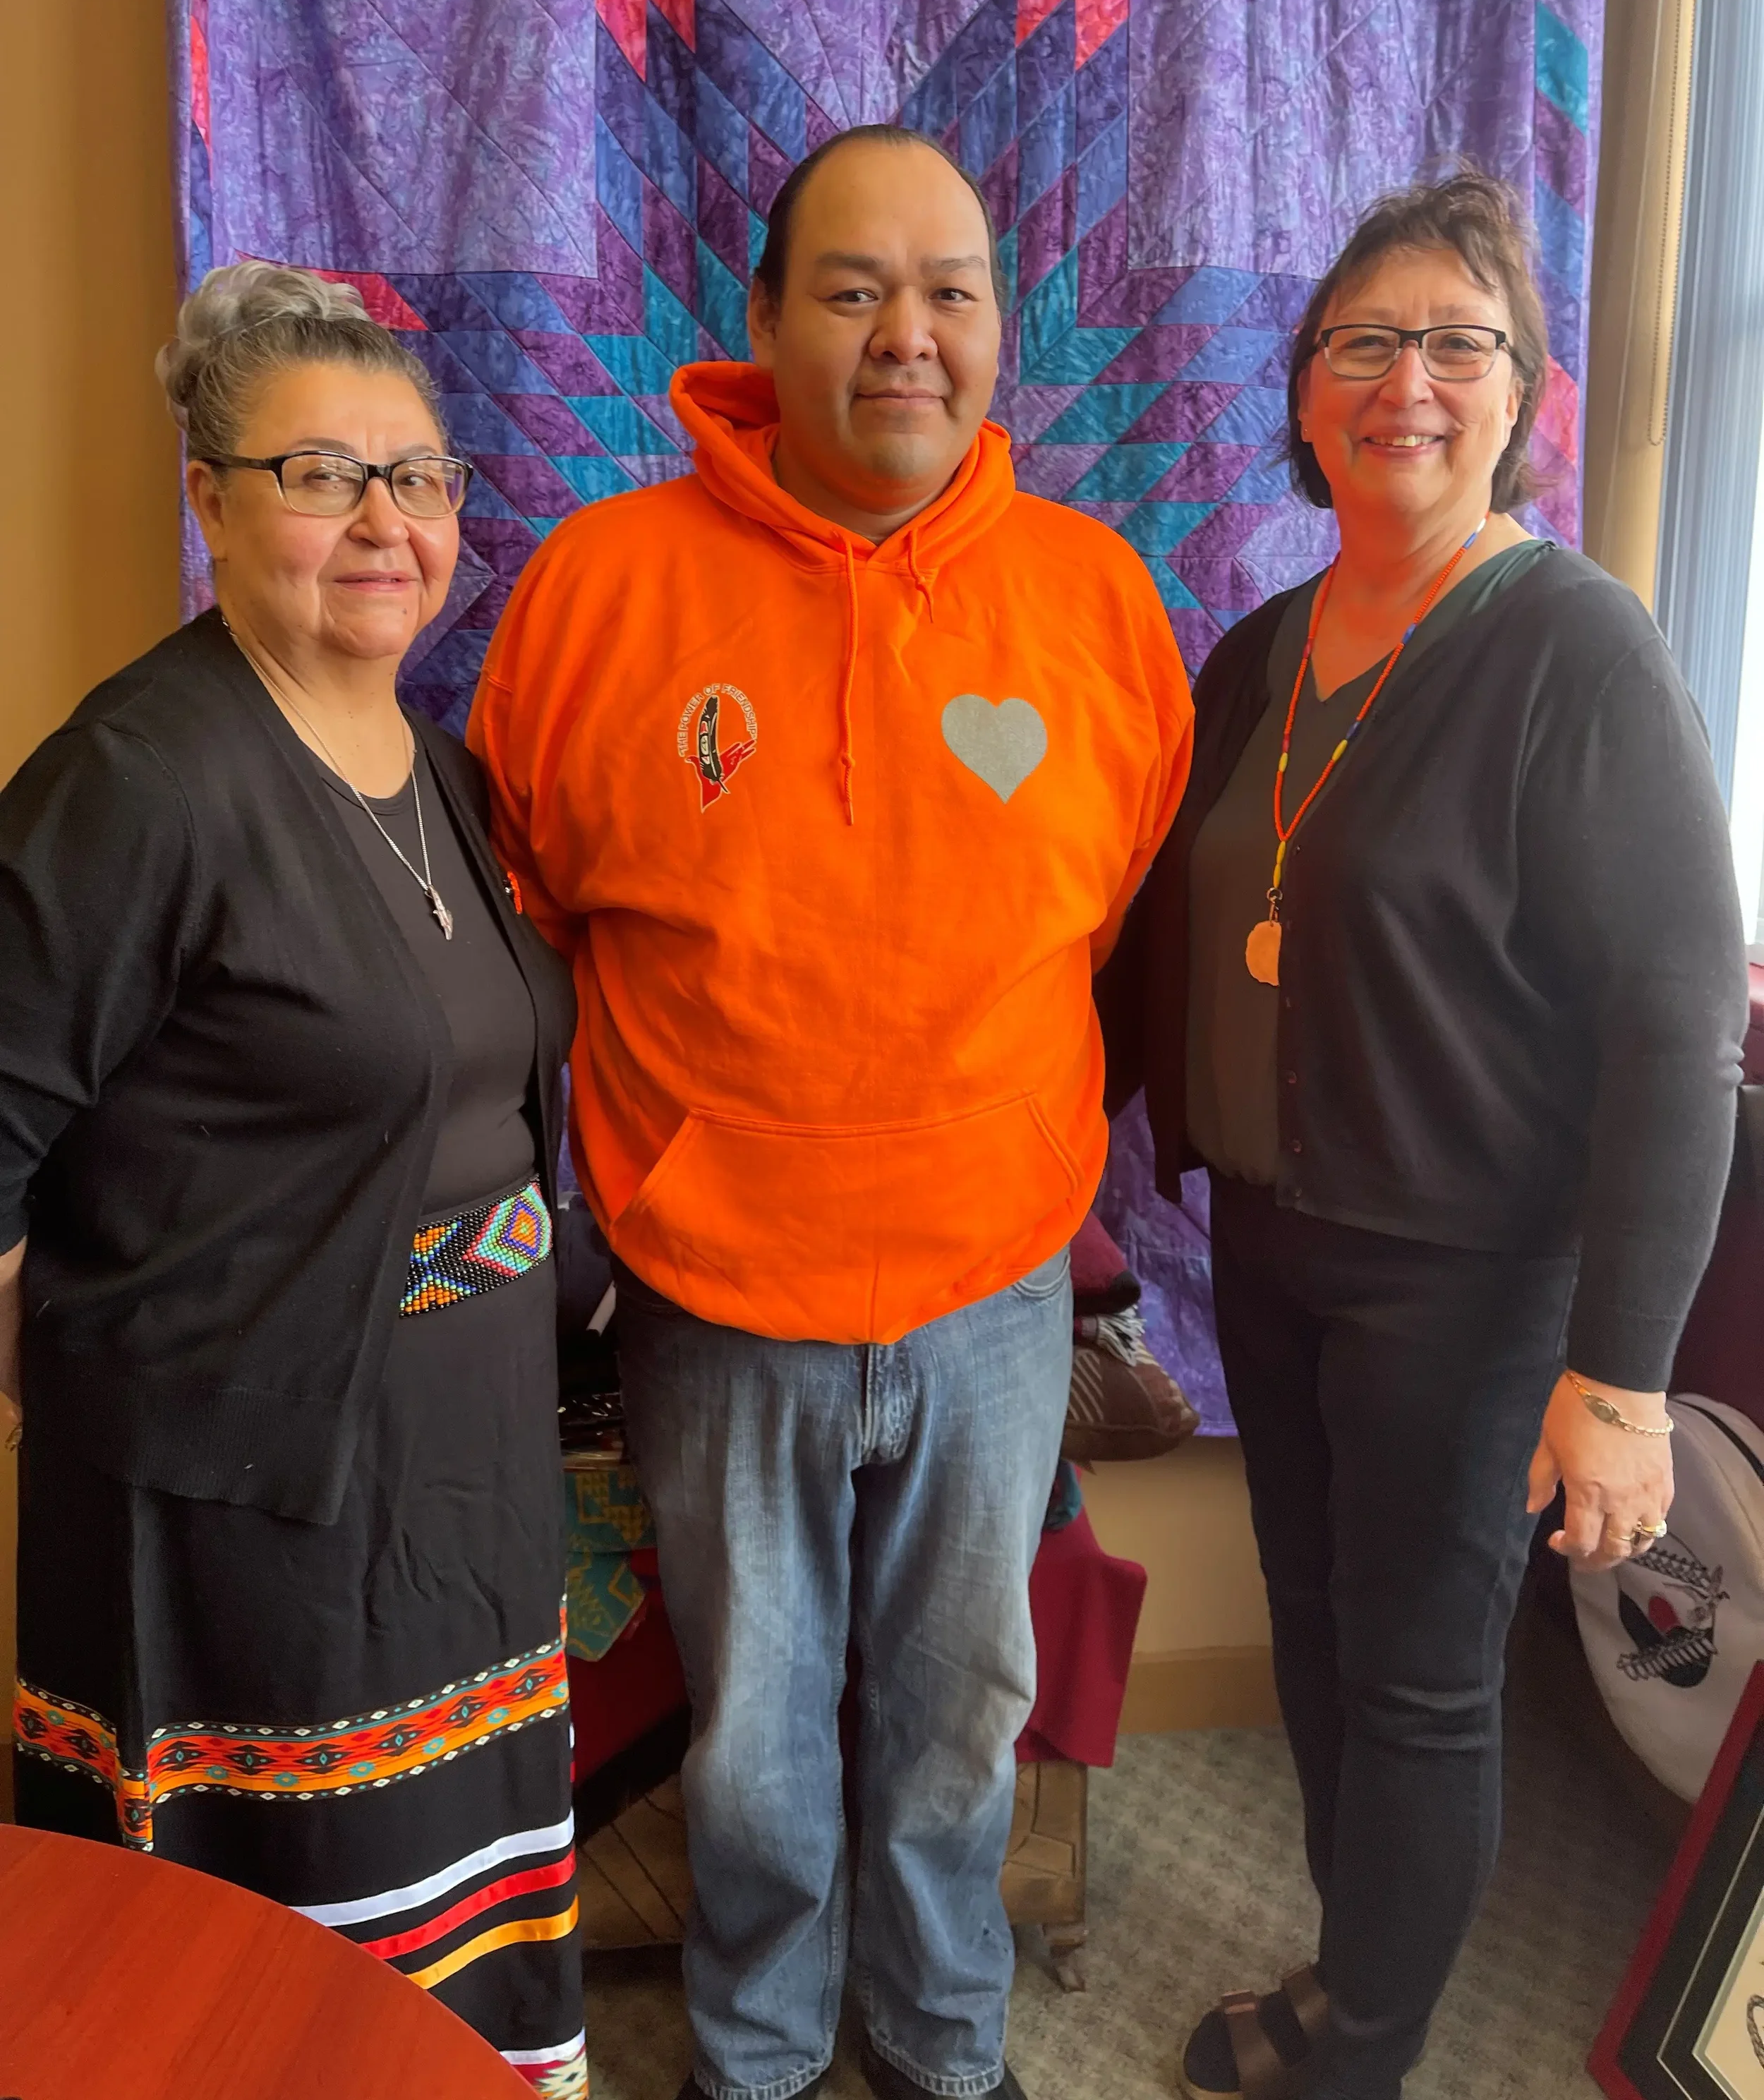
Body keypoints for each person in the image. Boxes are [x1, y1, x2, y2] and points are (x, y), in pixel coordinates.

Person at [470, 125, 1192, 2100]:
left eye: (950, 289)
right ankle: (762, 2049)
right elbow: (520, 924)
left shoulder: (1098, 602)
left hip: (990, 1284)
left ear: (999, 329)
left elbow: (1112, 916)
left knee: (965, 1713)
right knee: (760, 1727)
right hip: (714, 1289)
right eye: (855, 287)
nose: (906, 334)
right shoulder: (598, 591)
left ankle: (945, 2034)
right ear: (764, 318)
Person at [1099, 170, 1750, 2100]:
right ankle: (1347, 1961)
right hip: (1279, 1249)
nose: (1408, 378)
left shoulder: (1577, 649)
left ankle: (1361, 2050)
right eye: (1363, 342)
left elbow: (1675, 1021)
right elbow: (1156, 932)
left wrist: (1619, 1378)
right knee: (1317, 1636)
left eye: (1456, 341)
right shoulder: (1255, 654)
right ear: (1303, 396)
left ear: (1522, 390)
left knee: (1413, 1672)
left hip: (1469, 1276)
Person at [0, 265, 586, 2100]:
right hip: (248, 1500)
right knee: (275, 1980)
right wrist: (103, 1362)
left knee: (447, 1942)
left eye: (416, 479)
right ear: (210, 496)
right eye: (322, 472)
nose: (383, 523)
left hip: (458, 1483)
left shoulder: (438, 762)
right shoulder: (139, 778)